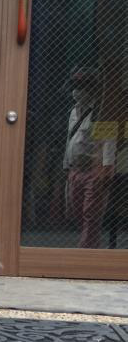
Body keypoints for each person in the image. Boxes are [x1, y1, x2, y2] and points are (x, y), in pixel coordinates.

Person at [62, 67, 115, 249]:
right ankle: (90, 246)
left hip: (94, 170)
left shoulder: (102, 111)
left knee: (90, 214)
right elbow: (70, 139)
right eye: (74, 87)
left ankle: (86, 253)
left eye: (80, 87)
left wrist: (106, 171)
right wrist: (66, 165)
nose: (75, 92)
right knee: (77, 212)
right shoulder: (73, 112)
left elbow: (109, 141)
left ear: (90, 90)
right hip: (75, 170)